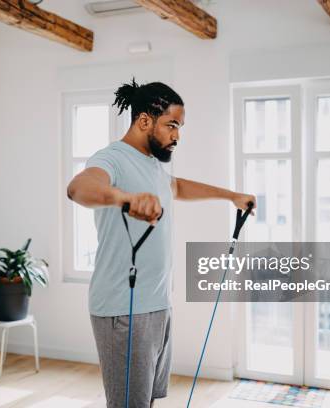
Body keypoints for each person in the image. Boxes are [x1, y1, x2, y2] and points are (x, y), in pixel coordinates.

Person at [66, 78, 256, 407]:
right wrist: (124, 198)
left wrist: (231, 197)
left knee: (147, 400)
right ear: (144, 121)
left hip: (157, 305)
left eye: (179, 127)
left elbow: (177, 188)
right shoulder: (110, 158)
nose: (177, 136)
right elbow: (79, 187)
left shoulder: (151, 164)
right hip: (122, 310)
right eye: (172, 125)